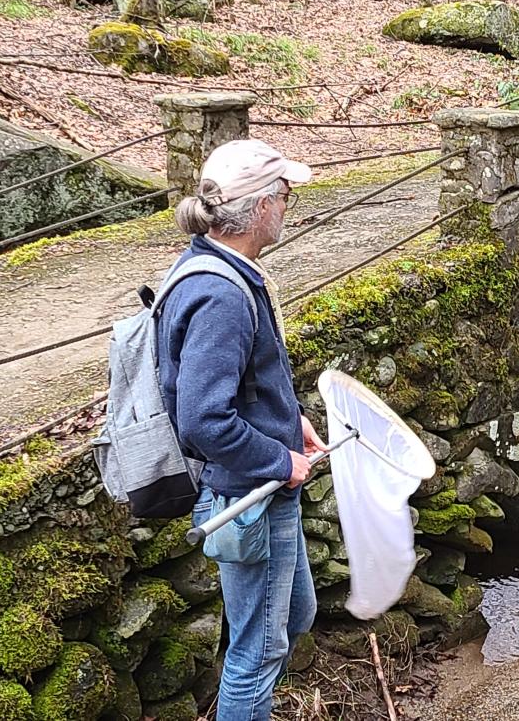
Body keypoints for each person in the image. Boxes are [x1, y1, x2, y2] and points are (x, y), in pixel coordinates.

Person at [160, 139, 326, 720]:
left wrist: (290, 420)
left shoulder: (220, 264)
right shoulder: (221, 295)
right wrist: (280, 461)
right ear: (259, 207)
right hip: (247, 496)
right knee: (257, 651)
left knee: (296, 615)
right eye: (285, 195)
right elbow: (204, 417)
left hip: (260, 487)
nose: (288, 206)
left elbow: (242, 383)